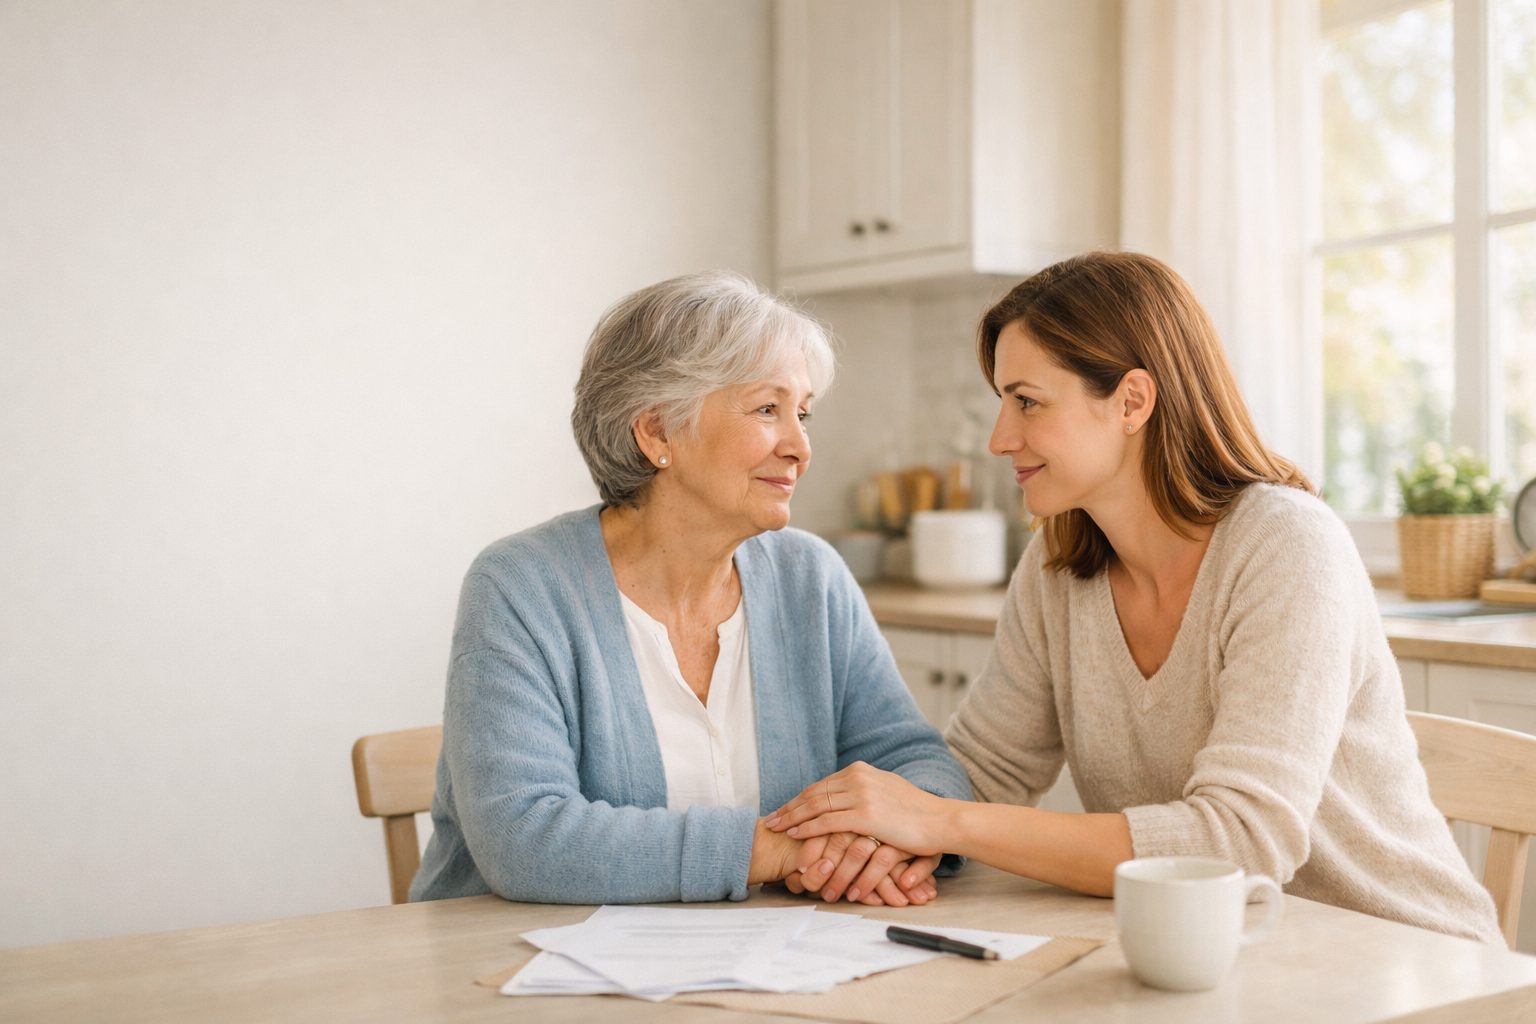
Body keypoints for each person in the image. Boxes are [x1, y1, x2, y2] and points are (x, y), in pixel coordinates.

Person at [766, 251, 1503, 943]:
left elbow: (1241, 842)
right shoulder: (1058, 570)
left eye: (1026, 402)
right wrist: (870, 843)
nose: (999, 437)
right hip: (1221, 957)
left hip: (1405, 964)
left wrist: (941, 824)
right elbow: (982, 773)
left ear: (1132, 400)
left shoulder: (1286, 545)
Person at [410, 271, 971, 907]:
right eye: (768, 409)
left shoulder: (810, 577)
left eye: (803, 413)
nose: (801, 447)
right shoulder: (520, 588)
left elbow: (920, 765)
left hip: (759, 967)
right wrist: (778, 851)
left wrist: (889, 843)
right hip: (518, 974)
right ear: (657, 433)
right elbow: (526, 838)